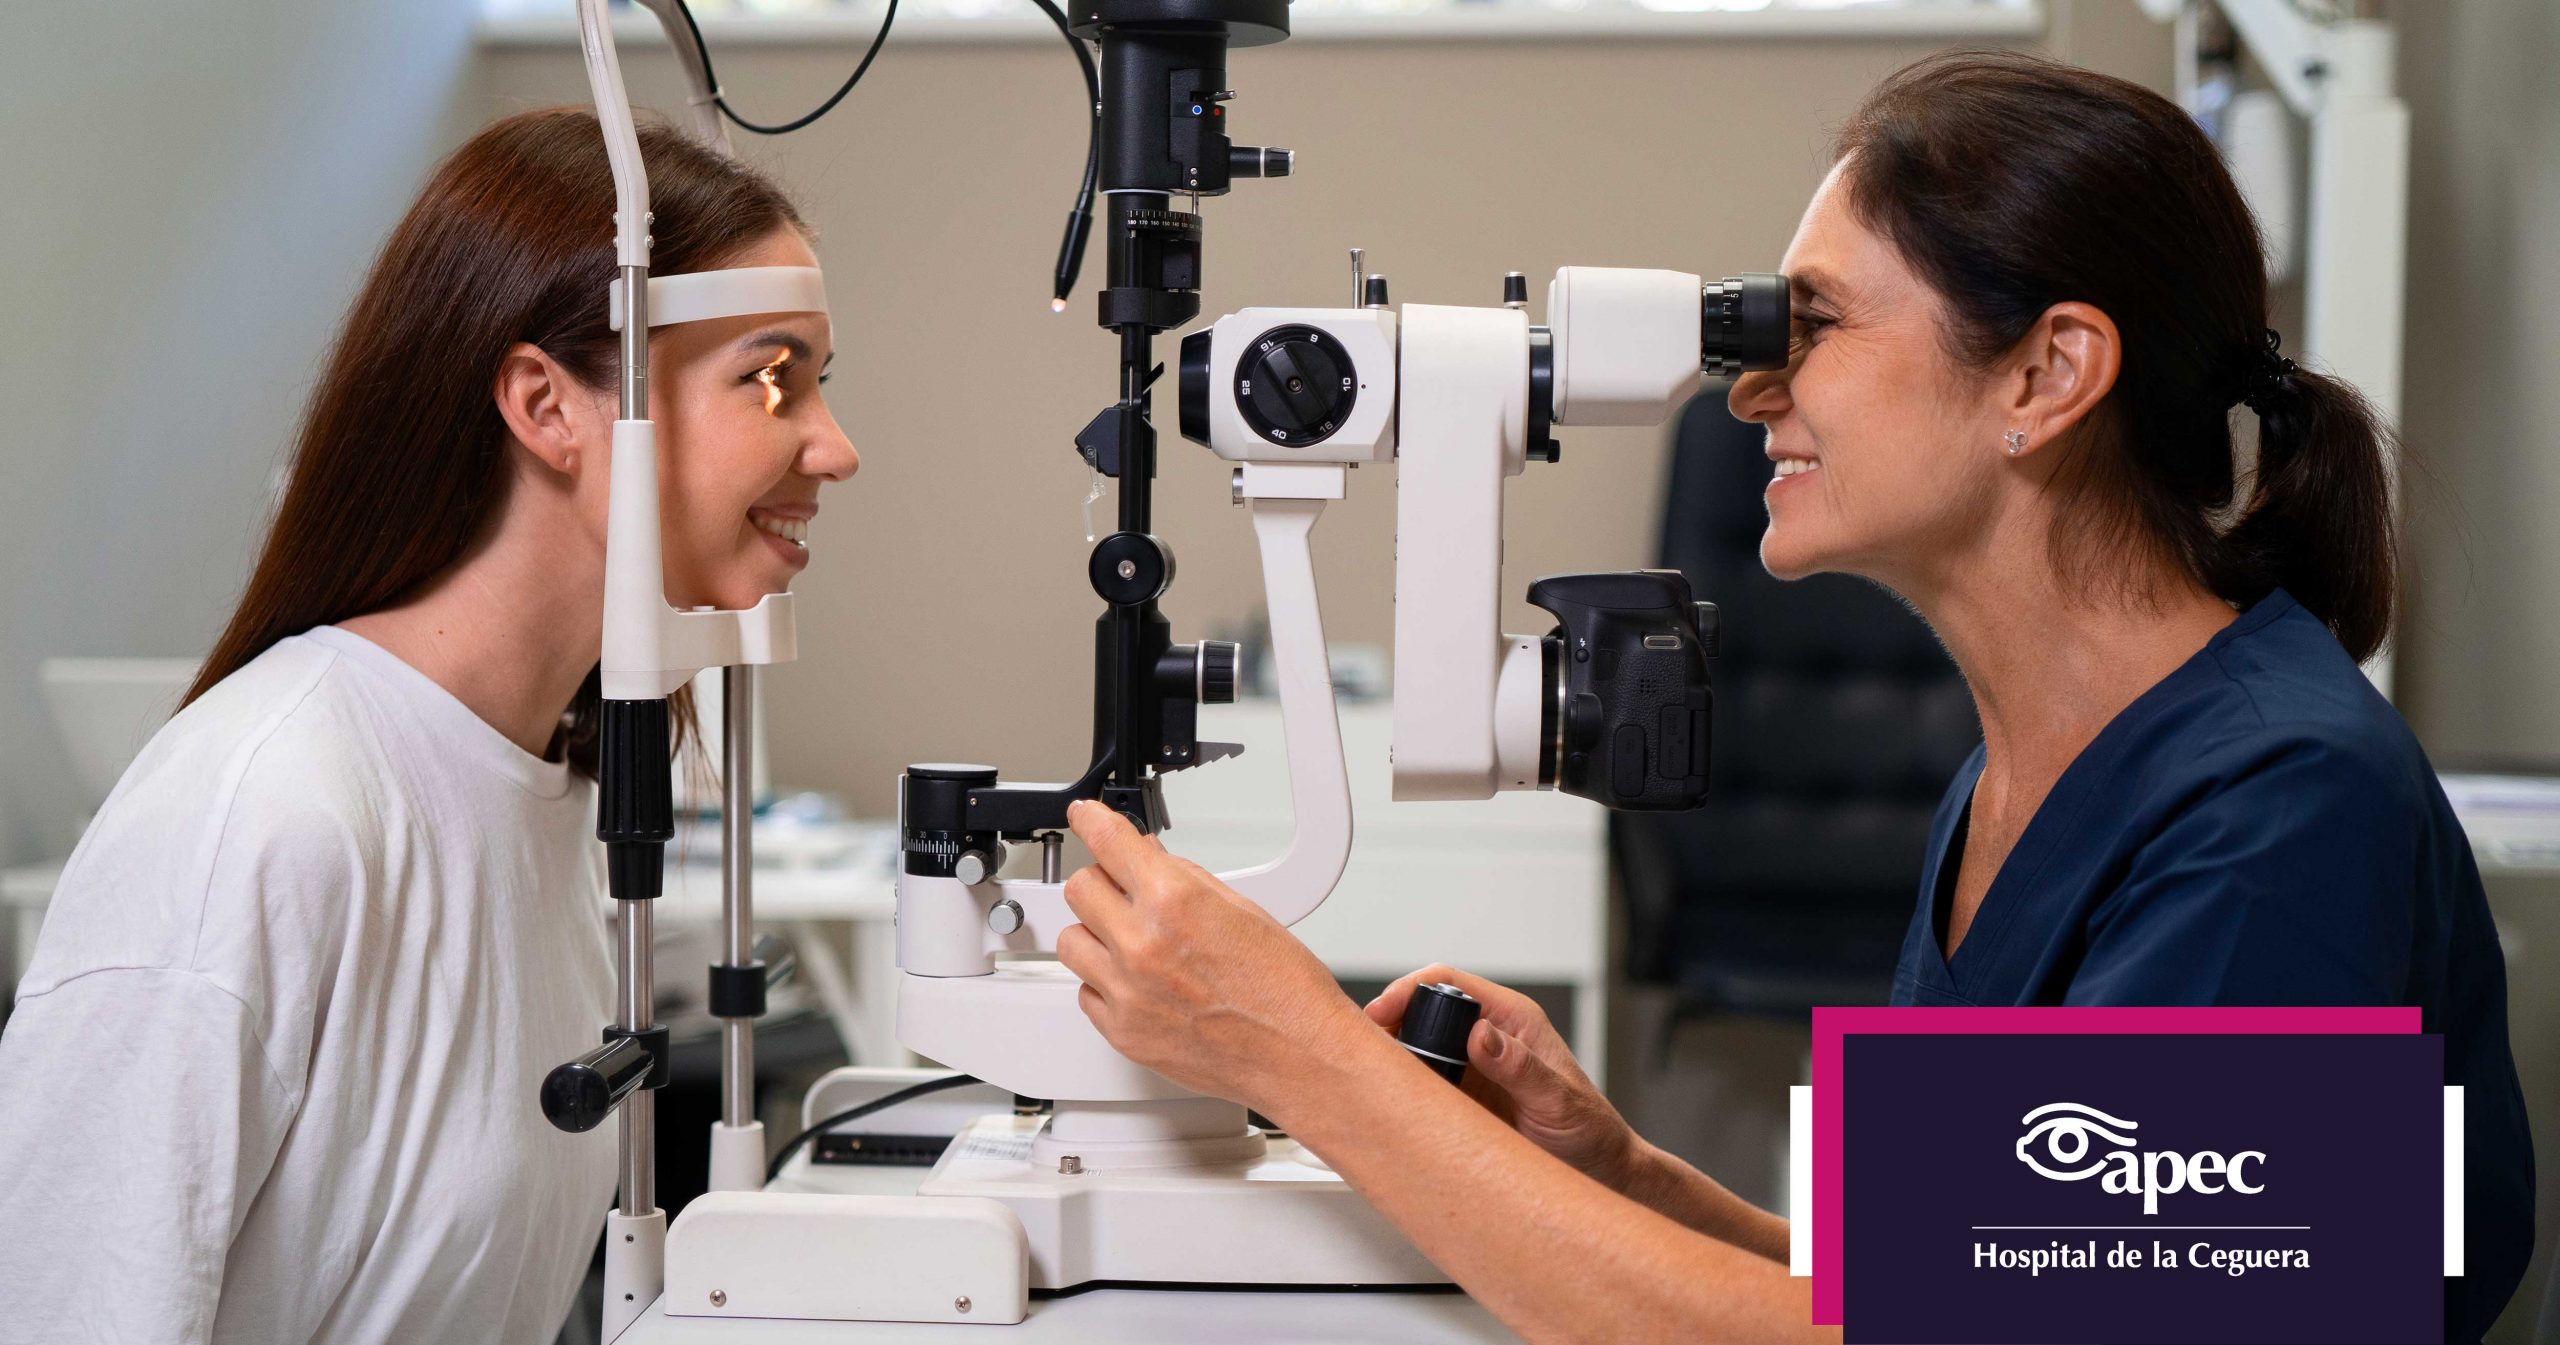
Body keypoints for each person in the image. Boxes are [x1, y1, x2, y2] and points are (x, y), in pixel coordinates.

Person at [1050, 49, 2532, 1345]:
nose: (1753, 391)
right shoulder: (2019, 778)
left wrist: (1296, 1056)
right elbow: (1966, 1279)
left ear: (2046, 374)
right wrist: (1622, 1171)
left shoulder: (2278, 811)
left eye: (1810, 328)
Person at [0, 108, 857, 1343]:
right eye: (772, 378)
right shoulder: (265, 814)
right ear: (546, 405)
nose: (834, 446)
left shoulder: (542, 781)